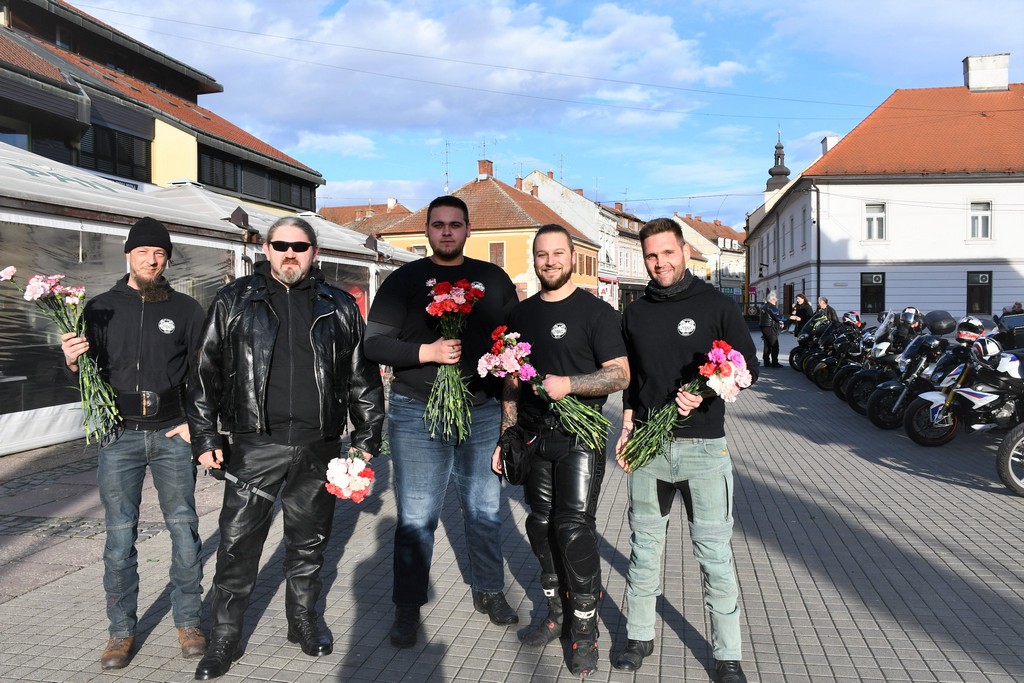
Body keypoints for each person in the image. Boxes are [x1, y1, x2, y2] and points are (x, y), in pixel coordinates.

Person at [187, 216, 384, 680]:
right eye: (281, 245)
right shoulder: (234, 300)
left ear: (315, 252)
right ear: (266, 249)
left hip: (319, 446)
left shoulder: (338, 305)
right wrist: (206, 436)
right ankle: (224, 638)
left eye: (300, 246)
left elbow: (362, 379)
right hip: (256, 446)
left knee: (310, 544)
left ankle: (302, 620)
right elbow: (203, 373)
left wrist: (366, 439)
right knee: (237, 545)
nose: (290, 253)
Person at [363, 195, 520, 649]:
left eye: (455, 224)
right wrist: (425, 353)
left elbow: (516, 343)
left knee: (484, 509)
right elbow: (374, 344)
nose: (447, 231)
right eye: (438, 225)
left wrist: (511, 418)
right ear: (427, 231)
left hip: (483, 411)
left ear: (469, 229)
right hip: (417, 411)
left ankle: (489, 591)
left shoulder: (492, 279)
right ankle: (407, 606)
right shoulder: (404, 280)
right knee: (416, 515)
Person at [613, 218, 758, 683]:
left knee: (714, 553)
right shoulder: (634, 313)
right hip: (650, 452)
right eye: (652, 256)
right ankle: (638, 636)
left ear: (684, 251)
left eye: (667, 253)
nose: (660, 264)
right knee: (644, 548)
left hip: (703, 450)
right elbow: (634, 380)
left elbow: (748, 366)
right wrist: (628, 423)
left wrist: (708, 393)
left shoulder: (716, 305)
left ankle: (727, 655)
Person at [59, 217, 207, 670]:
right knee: (119, 535)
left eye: (159, 253)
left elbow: (206, 373)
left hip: (171, 433)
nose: (151, 259)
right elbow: (83, 375)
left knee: (183, 529)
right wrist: (68, 360)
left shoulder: (186, 309)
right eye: (143, 251)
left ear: (167, 259)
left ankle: (189, 621)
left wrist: (193, 425)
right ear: (129, 254)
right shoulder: (100, 307)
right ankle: (120, 633)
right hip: (118, 435)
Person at [491, 225, 629, 677]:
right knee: (539, 524)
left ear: (573, 256)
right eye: (541, 254)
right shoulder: (521, 313)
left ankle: (584, 630)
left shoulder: (597, 312)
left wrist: (569, 385)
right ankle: (555, 613)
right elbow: (511, 377)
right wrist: (506, 434)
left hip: (580, 438)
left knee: (573, 529)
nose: (549, 261)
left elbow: (619, 375)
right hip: (532, 436)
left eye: (557, 254)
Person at [758, 292, 784, 367]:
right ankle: (774, 362)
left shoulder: (764, 306)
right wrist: (790, 317)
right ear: (772, 299)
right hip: (770, 327)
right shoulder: (770, 306)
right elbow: (777, 316)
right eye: (775, 299)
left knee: (767, 345)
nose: (776, 301)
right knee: (774, 345)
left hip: (764, 326)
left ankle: (766, 361)